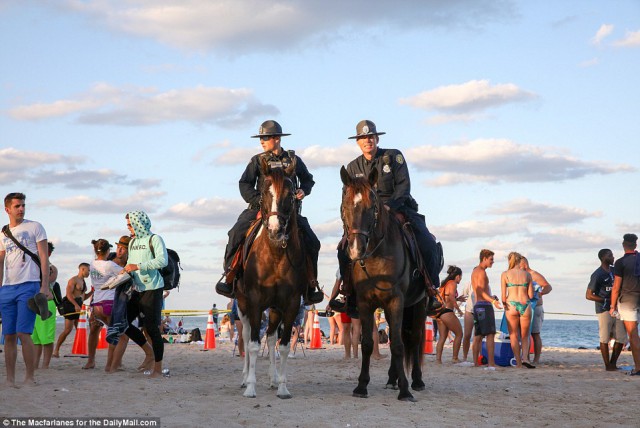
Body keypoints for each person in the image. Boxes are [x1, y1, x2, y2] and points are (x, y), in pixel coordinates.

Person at [336, 120, 443, 313]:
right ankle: (347, 292)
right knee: (343, 248)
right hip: (366, 216)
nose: (367, 141)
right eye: (363, 138)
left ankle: (431, 288)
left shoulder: (393, 156)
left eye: (371, 137)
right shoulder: (352, 167)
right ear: (358, 142)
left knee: (426, 241)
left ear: (376, 138)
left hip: (398, 208)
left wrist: (388, 206)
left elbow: (404, 186)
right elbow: (346, 199)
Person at [215, 120, 323, 305]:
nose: (262, 141)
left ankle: (311, 285)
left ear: (277, 139)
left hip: (289, 213)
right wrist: (258, 200)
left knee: (313, 241)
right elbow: (245, 184)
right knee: (235, 233)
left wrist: (303, 191)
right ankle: (229, 276)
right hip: (260, 209)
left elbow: (308, 180)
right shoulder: (257, 160)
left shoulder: (294, 160)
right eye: (261, 138)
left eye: (265, 138)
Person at [0, 192, 51, 387]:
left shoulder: (35, 227)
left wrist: (44, 285)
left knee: (24, 333)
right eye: (17, 206)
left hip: (29, 284)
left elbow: (44, 257)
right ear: (7, 209)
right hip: (8, 288)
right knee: (9, 335)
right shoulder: (3, 233)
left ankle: (30, 377)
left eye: (23, 205)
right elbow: (0, 262)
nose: (21, 209)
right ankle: (10, 379)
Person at [119, 211, 168, 378]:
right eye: (127, 225)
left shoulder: (155, 239)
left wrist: (138, 266)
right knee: (123, 322)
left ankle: (158, 369)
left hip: (153, 288)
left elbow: (163, 261)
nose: (128, 228)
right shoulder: (132, 242)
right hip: (136, 289)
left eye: (130, 224)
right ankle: (148, 352)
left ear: (139, 223)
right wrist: (124, 273)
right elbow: (130, 265)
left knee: (152, 328)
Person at [84, 239, 121, 371]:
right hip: (109, 302)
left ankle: (91, 361)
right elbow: (127, 273)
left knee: (93, 331)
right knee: (113, 333)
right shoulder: (110, 265)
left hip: (96, 303)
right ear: (108, 251)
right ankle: (109, 365)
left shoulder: (92, 264)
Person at [587, 248, 627, 371]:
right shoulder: (597, 274)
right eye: (610, 255)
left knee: (621, 337)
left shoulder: (615, 271)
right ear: (603, 258)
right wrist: (605, 301)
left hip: (618, 308)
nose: (613, 257)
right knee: (604, 338)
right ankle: (607, 365)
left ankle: (613, 363)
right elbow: (589, 295)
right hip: (604, 309)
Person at [609, 234, 640, 376]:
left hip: (628, 299)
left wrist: (612, 306)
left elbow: (616, 286)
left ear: (624, 244)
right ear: (635, 245)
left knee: (633, 335)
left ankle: (638, 368)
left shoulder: (620, 262)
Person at [500, 252, 535, 369]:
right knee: (525, 336)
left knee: (514, 335)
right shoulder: (527, 275)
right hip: (525, 304)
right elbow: (531, 295)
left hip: (511, 305)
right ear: (519, 261)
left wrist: (504, 304)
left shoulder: (505, 274)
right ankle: (525, 358)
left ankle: (518, 363)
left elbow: (503, 297)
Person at [471, 249, 502, 370]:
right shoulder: (481, 272)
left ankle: (475, 363)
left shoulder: (475, 271)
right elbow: (480, 291)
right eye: (491, 259)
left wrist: (491, 297)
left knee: (478, 335)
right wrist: (493, 301)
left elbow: (480, 292)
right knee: (490, 334)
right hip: (484, 306)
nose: (493, 262)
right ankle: (491, 363)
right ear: (484, 258)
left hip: (478, 305)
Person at [53, 263, 90, 358]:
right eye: (88, 270)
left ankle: (81, 350)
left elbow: (82, 297)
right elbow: (69, 295)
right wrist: (75, 305)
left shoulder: (83, 282)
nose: (89, 272)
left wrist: (91, 292)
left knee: (80, 330)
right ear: (82, 269)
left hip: (79, 307)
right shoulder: (73, 280)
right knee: (67, 330)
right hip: (70, 306)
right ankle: (56, 350)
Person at [520, 256, 552, 364]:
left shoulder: (534, 275)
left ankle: (536, 359)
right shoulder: (521, 275)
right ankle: (526, 357)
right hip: (526, 307)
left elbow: (548, 286)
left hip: (536, 307)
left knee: (535, 333)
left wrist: (540, 293)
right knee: (525, 334)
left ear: (524, 264)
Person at [106, 235, 131, 373]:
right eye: (118, 247)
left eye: (123, 248)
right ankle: (112, 366)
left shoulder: (130, 263)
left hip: (123, 302)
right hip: (111, 302)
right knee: (120, 335)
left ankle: (113, 365)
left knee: (117, 333)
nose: (119, 250)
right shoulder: (111, 262)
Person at [32, 242, 58, 369]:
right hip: (33, 305)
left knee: (46, 338)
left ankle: (45, 365)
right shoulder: (32, 267)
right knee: (35, 339)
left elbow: (46, 281)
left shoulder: (52, 268)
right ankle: (35, 364)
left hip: (46, 303)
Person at [434, 265, 464, 364]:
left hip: (440, 312)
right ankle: (455, 358)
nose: (461, 279)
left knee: (442, 337)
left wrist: (458, 299)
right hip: (447, 311)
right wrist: (459, 309)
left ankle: (438, 360)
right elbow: (451, 297)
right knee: (459, 334)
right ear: (458, 276)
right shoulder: (453, 283)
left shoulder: (445, 283)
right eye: (461, 277)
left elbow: (446, 296)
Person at [460, 280, 475, 363]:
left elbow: (488, 295)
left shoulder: (485, 282)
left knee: (477, 336)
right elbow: (462, 296)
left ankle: (477, 356)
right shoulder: (469, 284)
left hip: (480, 311)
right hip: (469, 311)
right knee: (467, 335)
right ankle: (465, 357)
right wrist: (456, 308)